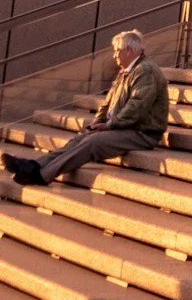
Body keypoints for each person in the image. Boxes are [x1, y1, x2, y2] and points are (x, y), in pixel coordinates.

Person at [5, 32, 168, 187]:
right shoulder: (126, 71)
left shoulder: (146, 71)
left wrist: (110, 125)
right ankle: (32, 166)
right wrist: (98, 122)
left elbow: (137, 106)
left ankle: (42, 175)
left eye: (117, 51)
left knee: (93, 142)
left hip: (141, 133)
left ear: (129, 50)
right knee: (80, 139)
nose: (114, 55)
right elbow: (107, 103)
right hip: (124, 127)